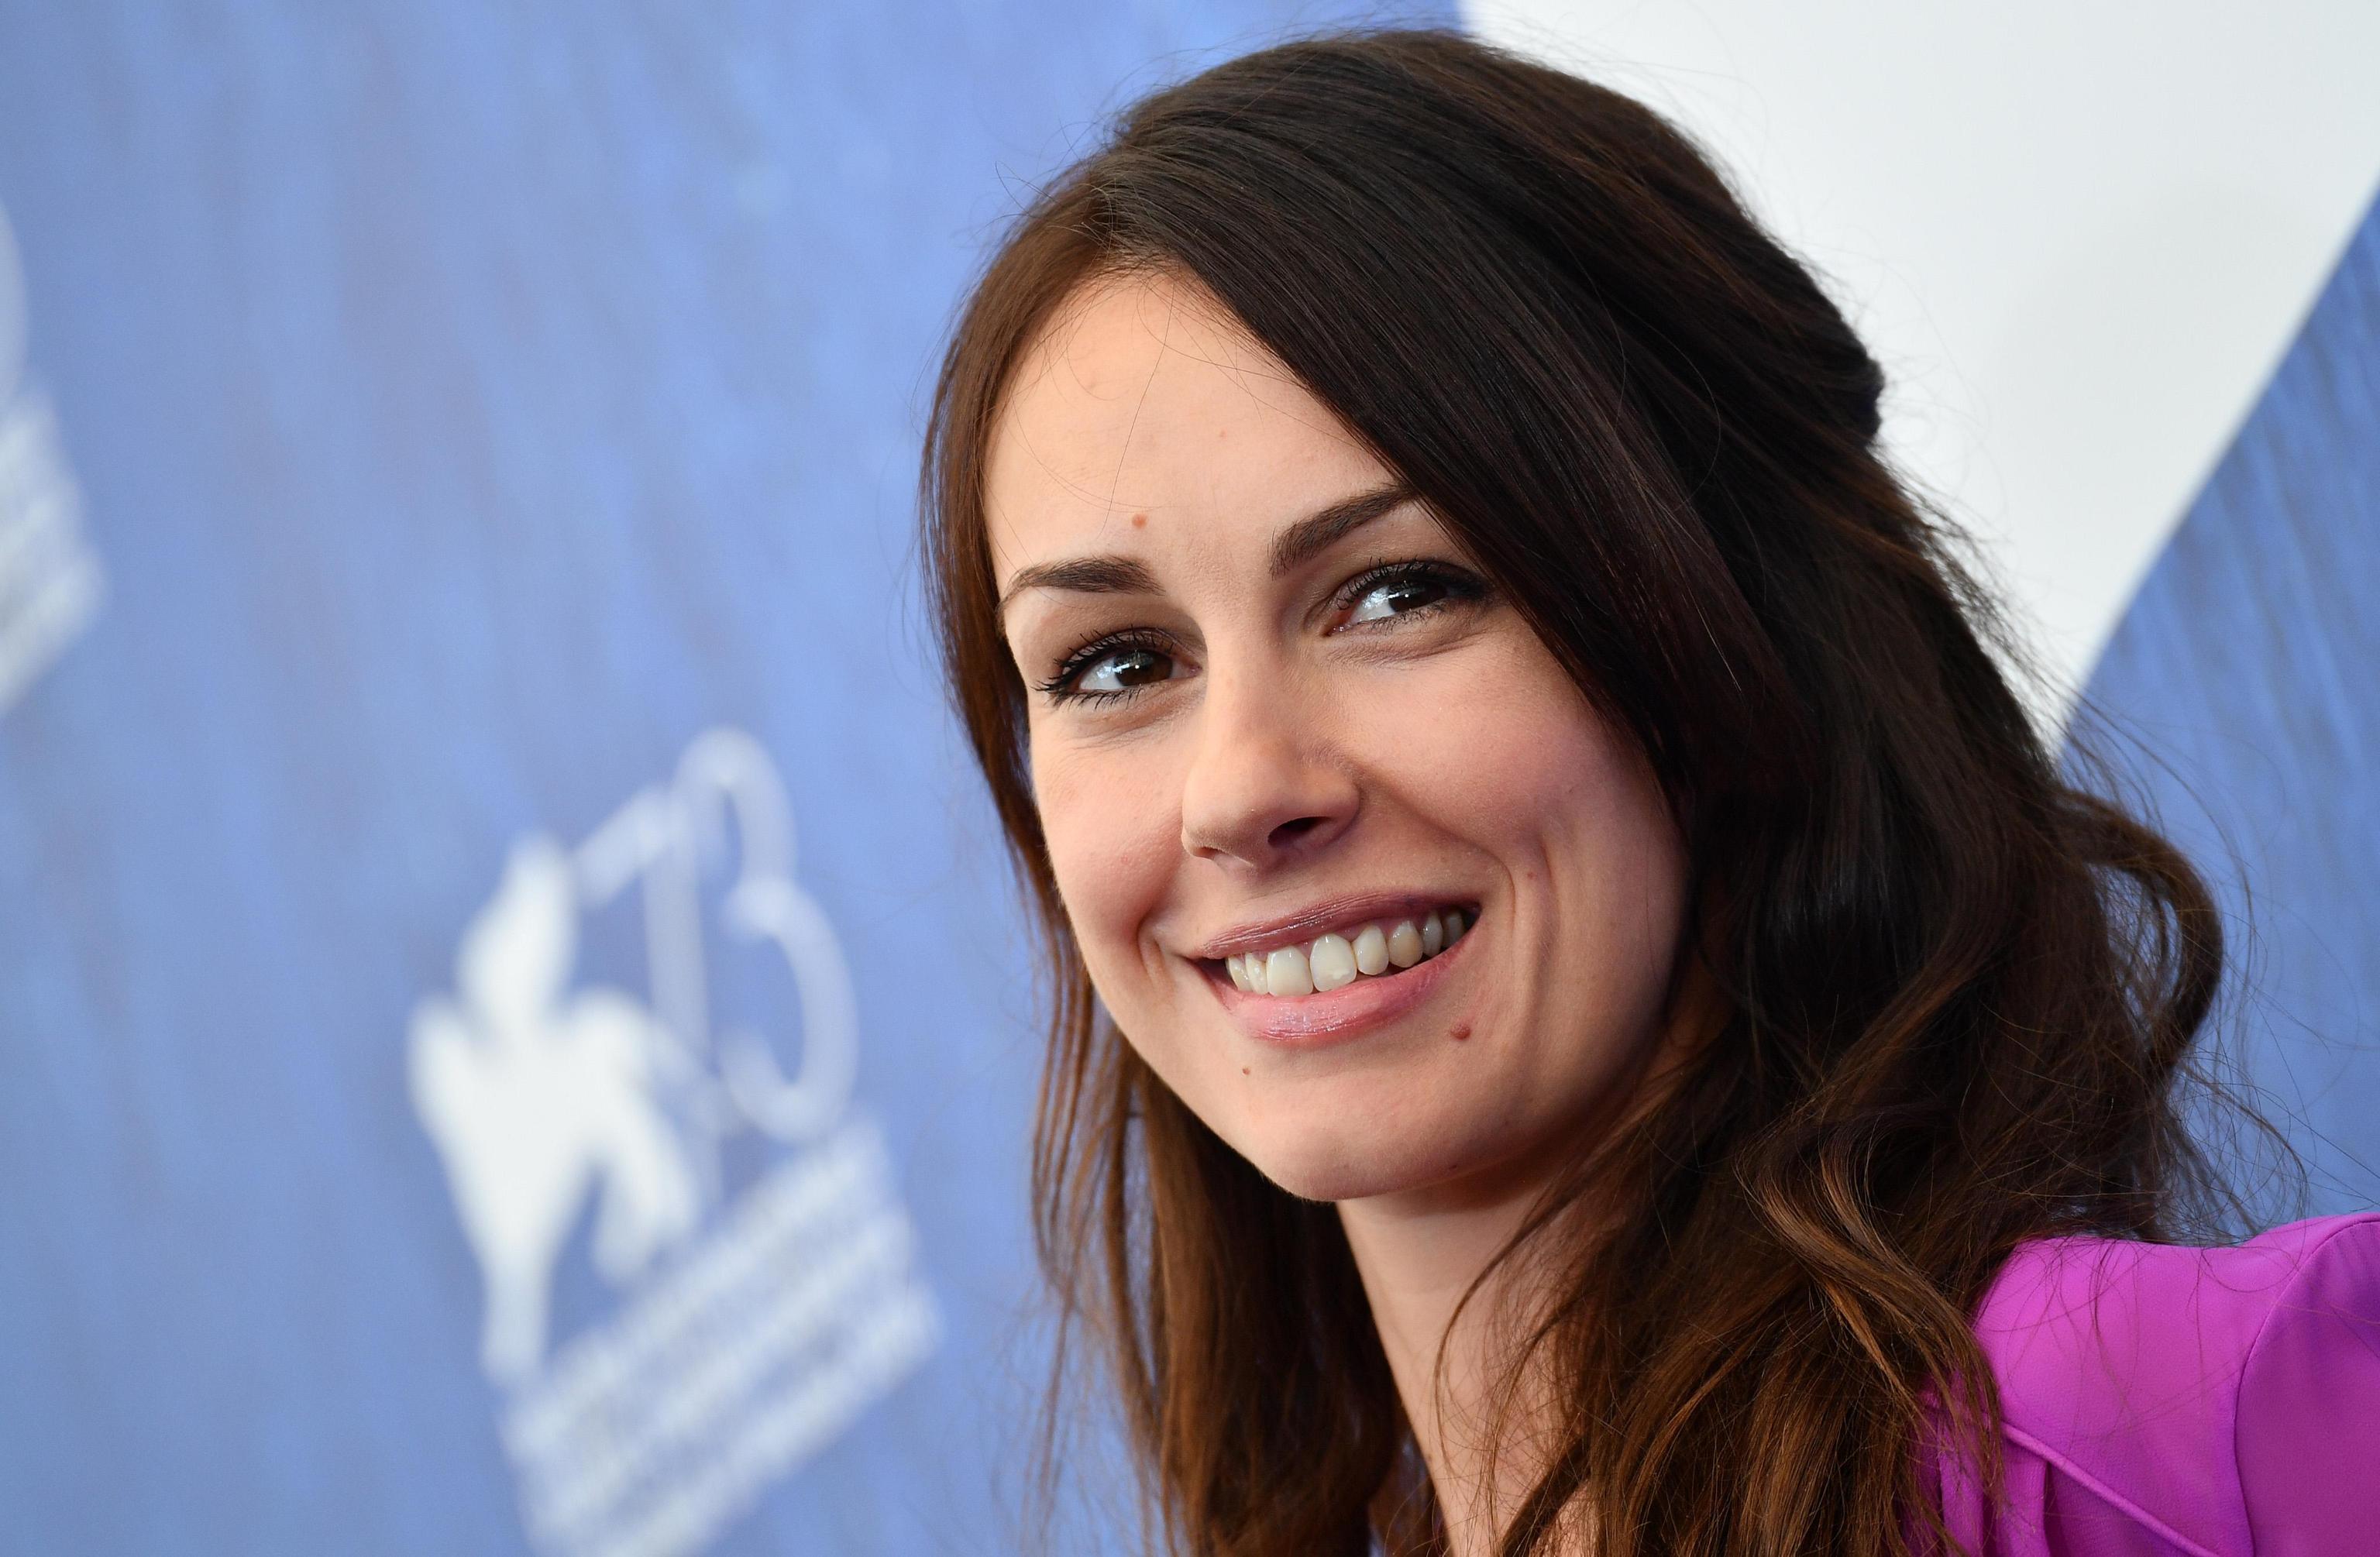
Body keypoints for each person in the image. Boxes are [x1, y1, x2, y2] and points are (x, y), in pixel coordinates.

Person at [917, 29, 2380, 1557]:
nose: (1240, 790)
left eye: (1399, 590)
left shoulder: (2209, 1435)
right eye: (1113, 665)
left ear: (1724, 627)